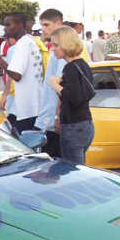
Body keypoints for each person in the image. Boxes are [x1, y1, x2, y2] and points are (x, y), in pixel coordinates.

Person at [36, 9, 90, 156]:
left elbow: (68, 94)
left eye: (46, 25)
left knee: (65, 165)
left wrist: (57, 117)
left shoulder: (68, 63)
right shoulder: (77, 62)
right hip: (71, 121)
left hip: (65, 122)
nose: (43, 29)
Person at [47, 26, 95, 164]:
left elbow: (74, 98)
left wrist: (55, 85)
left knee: (72, 170)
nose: (52, 49)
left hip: (73, 126)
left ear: (65, 44)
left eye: (56, 45)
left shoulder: (71, 67)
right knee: (78, 167)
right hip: (85, 124)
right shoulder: (83, 65)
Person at [0, 12, 42, 133]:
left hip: (25, 110)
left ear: (19, 25)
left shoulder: (22, 44)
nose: (5, 28)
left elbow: (16, 75)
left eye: (8, 25)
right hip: (34, 106)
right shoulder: (31, 41)